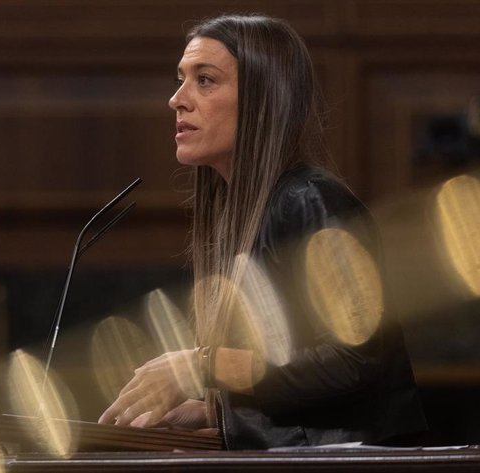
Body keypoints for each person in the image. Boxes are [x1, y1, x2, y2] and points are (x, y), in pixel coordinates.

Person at [99, 13, 426, 449]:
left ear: (262, 99)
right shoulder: (243, 213)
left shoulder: (312, 199)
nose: (177, 99)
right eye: (180, 79)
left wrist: (201, 366)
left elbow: (354, 360)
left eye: (205, 80)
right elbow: (299, 378)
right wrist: (222, 413)